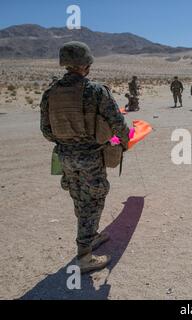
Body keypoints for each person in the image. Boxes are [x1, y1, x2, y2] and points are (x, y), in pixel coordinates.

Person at [39, 41, 130, 273]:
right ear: (86, 64)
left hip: (65, 157)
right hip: (90, 157)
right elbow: (118, 124)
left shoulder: (50, 93)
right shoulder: (96, 91)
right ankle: (84, 256)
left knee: (79, 197)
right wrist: (124, 143)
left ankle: (90, 237)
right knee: (95, 200)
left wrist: (68, 142)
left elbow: (47, 131)